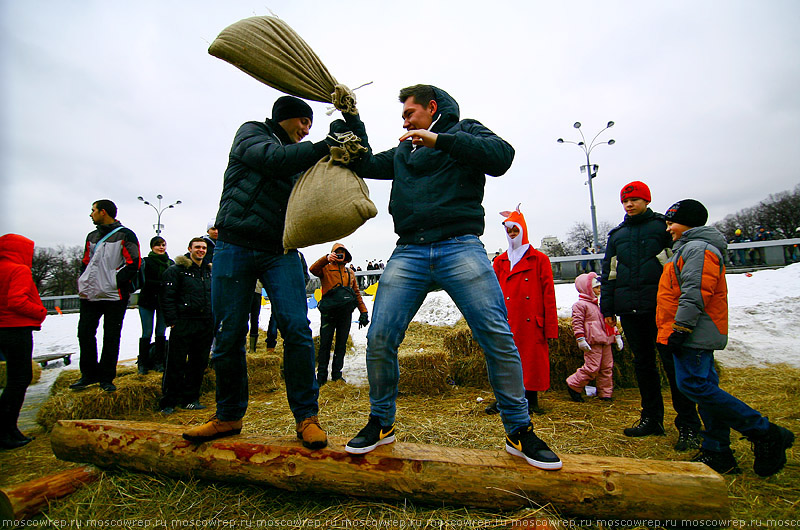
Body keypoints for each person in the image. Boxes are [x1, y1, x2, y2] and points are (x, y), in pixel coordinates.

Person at [339, 84, 562, 470]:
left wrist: (440, 141)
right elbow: (366, 164)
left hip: (460, 245)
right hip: (409, 249)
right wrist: (352, 120)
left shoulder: (466, 132)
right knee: (379, 336)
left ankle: (518, 429)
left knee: (496, 334)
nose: (405, 121)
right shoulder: (405, 151)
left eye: (409, 113)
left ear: (431, 107)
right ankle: (382, 422)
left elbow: (502, 157)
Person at [182, 95, 333, 448]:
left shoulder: (301, 159)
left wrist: (345, 126)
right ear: (286, 117)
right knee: (228, 332)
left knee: (296, 328)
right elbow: (274, 160)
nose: (307, 130)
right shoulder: (252, 134)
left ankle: (307, 418)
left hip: (280, 249)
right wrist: (324, 144)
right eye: (303, 122)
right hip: (235, 245)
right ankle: (228, 416)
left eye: (312, 124)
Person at [657, 199, 794, 476]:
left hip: (693, 333)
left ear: (690, 222)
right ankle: (718, 450)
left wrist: (680, 329)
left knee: (695, 386)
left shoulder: (697, 249)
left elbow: (695, 292)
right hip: (691, 331)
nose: (668, 227)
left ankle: (764, 432)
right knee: (704, 389)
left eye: (673, 222)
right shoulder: (687, 249)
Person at [600, 182, 701, 450]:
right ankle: (651, 418)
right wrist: (607, 308)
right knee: (643, 365)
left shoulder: (662, 228)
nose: (629, 205)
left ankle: (689, 424)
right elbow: (609, 273)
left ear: (646, 200)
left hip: (662, 309)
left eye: (634, 200)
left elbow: (679, 266)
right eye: (625, 201)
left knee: (672, 365)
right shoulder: (617, 235)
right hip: (630, 310)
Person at [489, 207, 558, 415]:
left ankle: (531, 400)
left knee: (531, 360)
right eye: (508, 230)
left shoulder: (539, 259)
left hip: (531, 320)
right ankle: (504, 398)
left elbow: (549, 295)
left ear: (523, 230)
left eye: (515, 230)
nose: (511, 234)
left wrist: (550, 327)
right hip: (508, 318)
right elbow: (493, 292)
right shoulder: (500, 261)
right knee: (504, 359)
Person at [72, 199, 140, 393]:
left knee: (111, 336)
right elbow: (86, 262)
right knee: (84, 333)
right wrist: (84, 281)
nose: (90, 214)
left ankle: (106, 377)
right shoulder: (91, 236)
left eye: (93, 210)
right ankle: (88, 374)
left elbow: (133, 263)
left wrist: (113, 282)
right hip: (91, 294)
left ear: (103, 212)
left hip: (114, 295)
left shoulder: (126, 235)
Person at [0, 234, 47, 449]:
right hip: (15, 328)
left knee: (14, 379)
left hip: (3, 328)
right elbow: (17, 300)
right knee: (19, 379)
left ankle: (8, 429)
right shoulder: (19, 269)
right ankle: (5, 429)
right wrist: (39, 311)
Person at [160, 238, 213, 414]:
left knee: (198, 363)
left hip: (205, 323)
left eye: (204, 248)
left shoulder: (209, 271)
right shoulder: (176, 271)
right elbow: (167, 298)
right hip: (183, 323)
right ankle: (169, 401)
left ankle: (190, 399)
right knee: (176, 363)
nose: (201, 250)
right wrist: (173, 322)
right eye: (197, 247)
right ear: (189, 248)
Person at [309, 243, 369, 385]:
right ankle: (321, 376)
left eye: (343, 252)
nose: (340, 255)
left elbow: (356, 293)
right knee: (325, 344)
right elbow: (313, 269)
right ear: (333, 254)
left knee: (341, 344)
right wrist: (326, 258)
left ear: (346, 256)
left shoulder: (350, 272)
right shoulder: (325, 268)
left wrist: (364, 311)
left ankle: (337, 374)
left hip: (345, 313)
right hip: (328, 313)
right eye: (337, 252)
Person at [566, 272, 621, 402]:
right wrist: (580, 338)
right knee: (592, 367)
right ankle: (574, 384)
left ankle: (605, 393)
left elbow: (609, 321)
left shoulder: (601, 304)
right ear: (587, 289)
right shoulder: (581, 305)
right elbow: (577, 323)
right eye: (596, 287)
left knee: (607, 367)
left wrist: (616, 335)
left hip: (606, 340)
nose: (599, 290)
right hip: (593, 342)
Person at [137, 236, 173, 374]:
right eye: (158, 245)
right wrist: (161, 284)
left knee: (161, 332)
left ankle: (159, 361)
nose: (161, 247)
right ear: (152, 247)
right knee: (147, 332)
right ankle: (143, 363)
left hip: (163, 302)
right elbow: (143, 281)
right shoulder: (145, 262)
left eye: (163, 245)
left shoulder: (170, 263)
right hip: (147, 301)